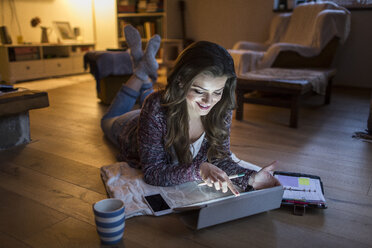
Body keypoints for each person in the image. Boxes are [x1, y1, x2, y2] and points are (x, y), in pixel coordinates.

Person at [101, 25, 280, 196]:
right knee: (108, 119)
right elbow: (153, 172)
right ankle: (140, 71)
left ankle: (144, 67)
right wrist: (199, 169)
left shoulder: (220, 106)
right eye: (199, 91)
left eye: (217, 92)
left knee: (151, 98)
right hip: (129, 127)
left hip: (158, 111)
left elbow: (220, 159)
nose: (209, 101)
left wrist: (251, 178)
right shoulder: (155, 107)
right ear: (180, 81)